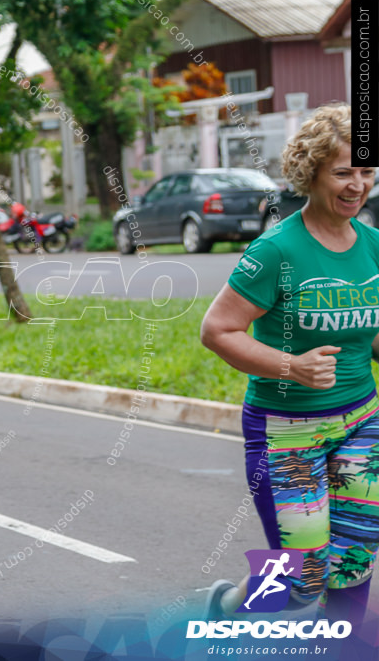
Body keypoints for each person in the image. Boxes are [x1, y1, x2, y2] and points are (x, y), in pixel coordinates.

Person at [201, 104, 379, 631]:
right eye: (343, 171)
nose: (358, 185)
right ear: (312, 173)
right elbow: (217, 330)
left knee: (353, 559)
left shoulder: (374, 247)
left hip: (362, 421)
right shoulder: (276, 250)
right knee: (300, 578)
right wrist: (290, 366)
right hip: (287, 430)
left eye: (366, 172)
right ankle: (232, 613)